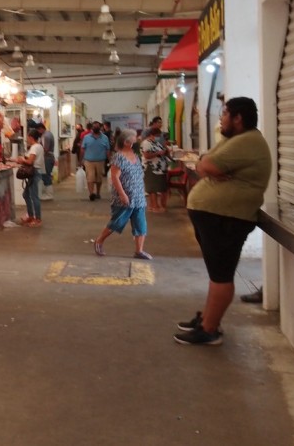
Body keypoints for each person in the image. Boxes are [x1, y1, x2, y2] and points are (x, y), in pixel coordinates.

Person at [174, 97, 272, 346]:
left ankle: (209, 330)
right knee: (217, 274)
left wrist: (206, 165)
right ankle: (209, 318)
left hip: (226, 219)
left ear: (238, 118)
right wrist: (205, 165)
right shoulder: (236, 140)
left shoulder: (247, 142)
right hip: (218, 217)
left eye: (224, 113)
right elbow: (203, 162)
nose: (220, 117)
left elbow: (206, 164)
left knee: (221, 275)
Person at [93, 130, 150, 259]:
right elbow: (115, 177)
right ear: (126, 142)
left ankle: (139, 251)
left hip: (138, 197)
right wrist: (122, 194)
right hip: (124, 197)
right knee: (117, 222)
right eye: (135, 139)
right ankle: (99, 240)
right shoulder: (118, 157)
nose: (137, 141)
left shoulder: (135, 155)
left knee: (141, 224)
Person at [19, 130, 45, 227]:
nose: (27, 139)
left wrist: (22, 160)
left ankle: (37, 218)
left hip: (34, 173)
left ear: (31, 137)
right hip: (35, 173)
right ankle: (31, 216)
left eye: (28, 137)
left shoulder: (34, 147)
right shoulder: (39, 147)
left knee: (34, 197)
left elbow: (30, 162)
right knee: (26, 195)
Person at [141, 128, 170, 212]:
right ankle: (155, 206)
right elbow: (146, 155)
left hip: (160, 169)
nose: (158, 137)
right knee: (152, 188)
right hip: (151, 168)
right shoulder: (146, 143)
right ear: (151, 135)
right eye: (157, 136)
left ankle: (155, 205)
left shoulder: (155, 142)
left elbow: (164, 151)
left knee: (159, 187)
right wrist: (158, 153)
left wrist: (165, 148)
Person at [81, 122, 110, 201]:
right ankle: (91, 193)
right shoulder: (86, 137)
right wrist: (82, 159)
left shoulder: (105, 138)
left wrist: (110, 160)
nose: (95, 128)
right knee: (90, 177)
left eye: (97, 127)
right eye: (94, 127)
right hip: (89, 161)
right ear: (92, 128)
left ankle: (98, 193)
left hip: (100, 161)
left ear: (100, 128)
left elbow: (107, 150)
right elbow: (83, 149)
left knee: (99, 178)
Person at [38, 120, 56, 200]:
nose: (38, 132)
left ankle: (49, 194)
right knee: (46, 175)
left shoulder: (46, 136)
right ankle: (48, 193)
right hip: (50, 157)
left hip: (47, 158)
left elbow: (45, 148)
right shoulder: (49, 133)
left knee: (46, 175)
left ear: (41, 129)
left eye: (38, 130)